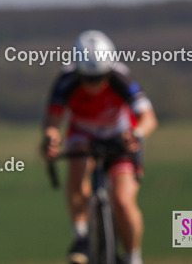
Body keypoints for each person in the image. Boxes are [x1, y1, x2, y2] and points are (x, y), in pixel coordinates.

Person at [41, 30, 158, 264]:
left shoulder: (120, 78)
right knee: (78, 164)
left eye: (100, 77)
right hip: (83, 133)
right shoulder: (66, 80)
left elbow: (148, 118)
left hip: (119, 135)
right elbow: (52, 121)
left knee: (123, 200)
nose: (94, 84)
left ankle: (134, 257)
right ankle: (81, 237)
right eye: (88, 78)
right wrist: (51, 137)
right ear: (77, 71)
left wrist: (136, 134)